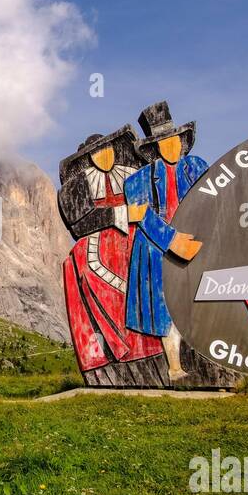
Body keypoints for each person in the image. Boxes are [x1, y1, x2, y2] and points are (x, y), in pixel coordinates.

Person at [57, 125, 163, 373]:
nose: (104, 156)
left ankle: (149, 345)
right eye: (97, 152)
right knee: (89, 270)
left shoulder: (132, 174)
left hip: (133, 237)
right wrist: (122, 213)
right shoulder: (79, 184)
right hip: (98, 244)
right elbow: (80, 221)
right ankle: (113, 349)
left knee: (146, 281)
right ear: (88, 158)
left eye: (107, 150)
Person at [124, 101, 207, 381]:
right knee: (165, 306)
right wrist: (171, 240)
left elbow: (214, 198)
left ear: (181, 141)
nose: (170, 147)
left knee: (200, 300)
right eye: (163, 143)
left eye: (173, 141)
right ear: (154, 148)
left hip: (196, 242)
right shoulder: (137, 181)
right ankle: (173, 366)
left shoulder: (196, 167)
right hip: (157, 249)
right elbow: (140, 214)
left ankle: (206, 357)